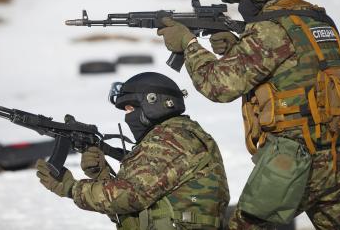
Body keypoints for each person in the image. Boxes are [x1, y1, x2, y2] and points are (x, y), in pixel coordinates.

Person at [156, 0, 340, 230]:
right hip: (339, 154)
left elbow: (218, 86)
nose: (241, 5)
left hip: (294, 160)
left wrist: (188, 44)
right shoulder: (317, 21)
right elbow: (296, 75)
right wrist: (238, 50)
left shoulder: (269, 30)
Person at [36, 72, 230, 229]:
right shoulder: (183, 134)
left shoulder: (168, 140)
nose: (128, 117)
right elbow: (130, 209)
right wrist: (100, 174)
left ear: (152, 104)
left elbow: (129, 196)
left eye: (130, 109)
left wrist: (70, 187)